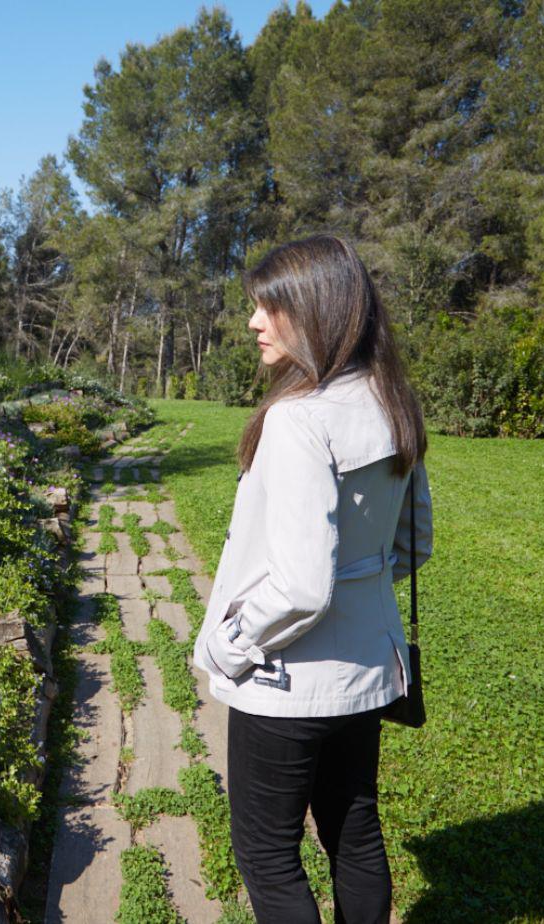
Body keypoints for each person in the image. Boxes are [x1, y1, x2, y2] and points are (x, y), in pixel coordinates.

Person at [192, 234, 434, 924]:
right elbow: (413, 542)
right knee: (354, 831)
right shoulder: (392, 402)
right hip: (367, 671)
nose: (253, 323)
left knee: (268, 854)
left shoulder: (298, 420)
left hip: (284, 681)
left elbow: (300, 587)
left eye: (269, 308)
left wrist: (230, 644)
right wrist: (362, 587)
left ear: (318, 310)